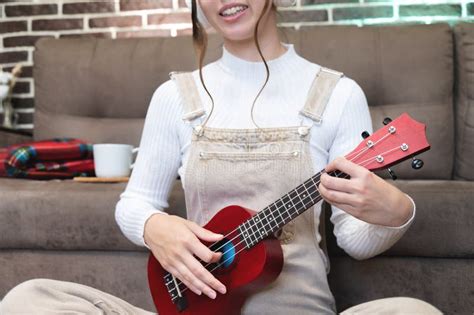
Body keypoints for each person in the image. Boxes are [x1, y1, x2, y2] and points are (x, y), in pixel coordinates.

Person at [1, 0, 442, 314]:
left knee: (412, 311)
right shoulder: (175, 96)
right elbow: (134, 204)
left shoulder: (338, 94)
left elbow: (354, 241)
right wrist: (157, 227)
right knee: (28, 299)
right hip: (197, 310)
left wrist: (395, 212)